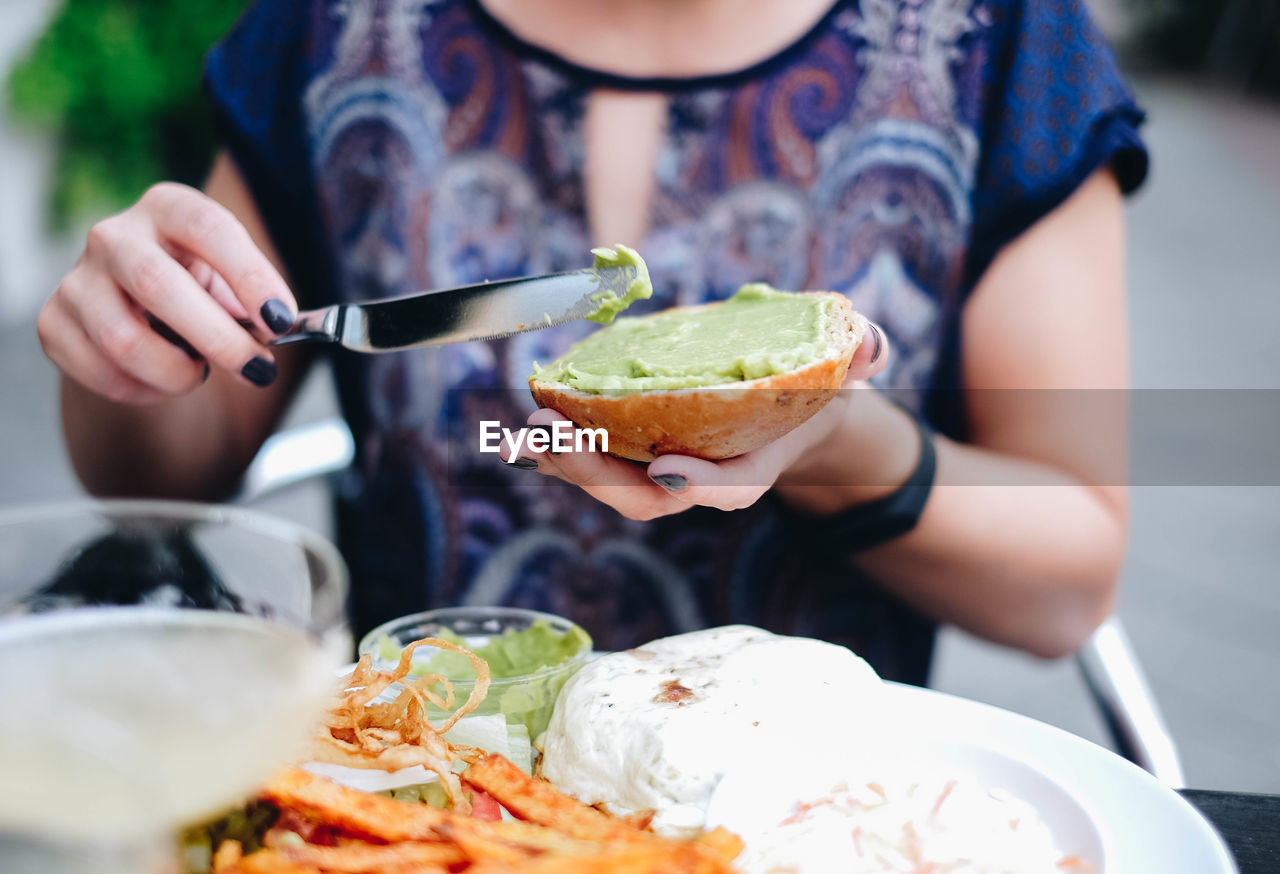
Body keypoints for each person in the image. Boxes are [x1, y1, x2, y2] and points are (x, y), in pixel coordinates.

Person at [37, 0, 1147, 685]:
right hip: (423, 786)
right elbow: (166, 464)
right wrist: (131, 343)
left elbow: (1063, 582)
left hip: (803, 813)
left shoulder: (999, 42)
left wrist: (834, 445)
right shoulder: (335, 27)